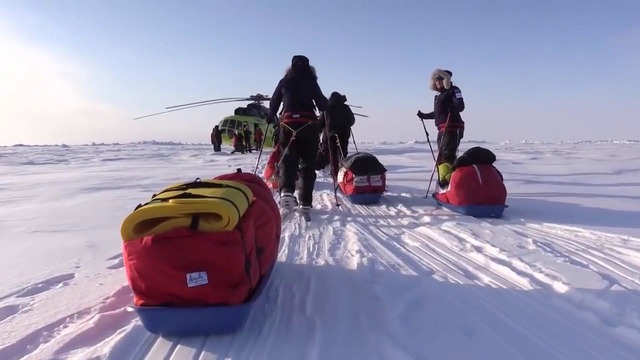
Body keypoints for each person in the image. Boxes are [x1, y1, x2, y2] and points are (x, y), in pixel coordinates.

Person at [268, 55, 328, 210]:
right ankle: (305, 202)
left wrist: (270, 115)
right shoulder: (311, 81)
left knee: (288, 159)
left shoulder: (285, 81)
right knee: (308, 163)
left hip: (287, 125)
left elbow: (274, 102)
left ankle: (286, 191)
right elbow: (321, 104)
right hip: (308, 125)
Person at [417, 69, 465, 187]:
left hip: (452, 127)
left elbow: (460, 106)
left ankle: (448, 183)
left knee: (447, 155)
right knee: (442, 156)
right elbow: (439, 114)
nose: (438, 84)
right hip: (443, 128)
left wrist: (454, 106)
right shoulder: (440, 95)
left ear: (446, 80)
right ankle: (446, 181)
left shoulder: (454, 90)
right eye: (436, 82)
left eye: (441, 81)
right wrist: (425, 116)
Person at [317, 91, 356, 177]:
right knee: (343, 154)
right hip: (344, 135)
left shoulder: (327, 109)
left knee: (332, 156)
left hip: (330, 136)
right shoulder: (345, 108)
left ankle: (334, 174)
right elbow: (352, 121)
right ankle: (343, 174)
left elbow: (320, 124)